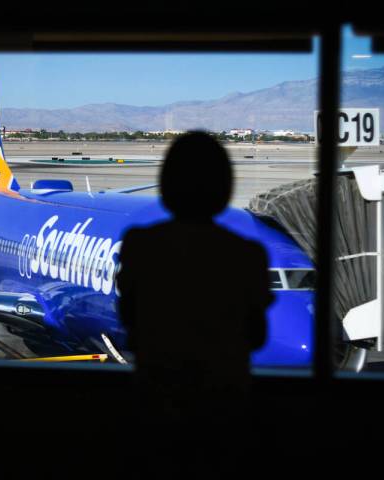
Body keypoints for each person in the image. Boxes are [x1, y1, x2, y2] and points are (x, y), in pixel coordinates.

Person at [116, 131, 273, 472]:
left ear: (167, 186)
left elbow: (128, 317)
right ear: (225, 189)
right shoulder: (248, 254)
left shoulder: (140, 245)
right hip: (225, 410)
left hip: (156, 406)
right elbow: (257, 335)